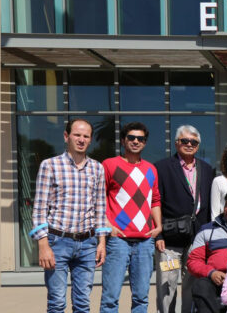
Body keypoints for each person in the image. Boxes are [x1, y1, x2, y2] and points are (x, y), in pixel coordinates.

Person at [31, 118, 109, 313]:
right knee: (57, 303)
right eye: (77, 135)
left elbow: (100, 207)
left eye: (86, 136)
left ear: (90, 140)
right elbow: (39, 208)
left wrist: (101, 243)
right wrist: (43, 245)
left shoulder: (97, 168)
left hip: (88, 245)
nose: (81, 139)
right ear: (66, 136)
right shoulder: (50, 165)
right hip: (58, 242)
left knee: (83, 304)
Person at [100, 122, 163, 313]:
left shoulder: (151, 169)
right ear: (123, 140)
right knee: (110, 298)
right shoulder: (109, 165)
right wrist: (107, 224)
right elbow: (99, 198)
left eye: (140, 139)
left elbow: (155, 200)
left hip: (145, 242)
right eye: (131, 138)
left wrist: (159, 226)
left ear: (145, 143)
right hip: (118, 240)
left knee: (142, 298)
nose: (136, 141)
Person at [154, 125, 217, 313]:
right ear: (176, 143)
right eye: (185, 141)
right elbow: (156, 203)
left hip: (196, 240)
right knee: (167, 287)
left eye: (194, 142)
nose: (189, 144)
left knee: (191, 286)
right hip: (169, 241)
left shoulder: (206, 169)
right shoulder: (162, 167)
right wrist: (158, 236)